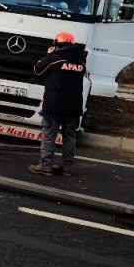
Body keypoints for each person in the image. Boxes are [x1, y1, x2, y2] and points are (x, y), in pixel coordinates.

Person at [28, 31, 86, 177]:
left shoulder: (54, 58)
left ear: (57, 44)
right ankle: (67, 167)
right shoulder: (81, 62)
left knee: (49, 135)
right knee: (70, 137)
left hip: (54, 105)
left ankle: (45, 165)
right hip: (74, 106)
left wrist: (48, 55)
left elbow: (37, 70)